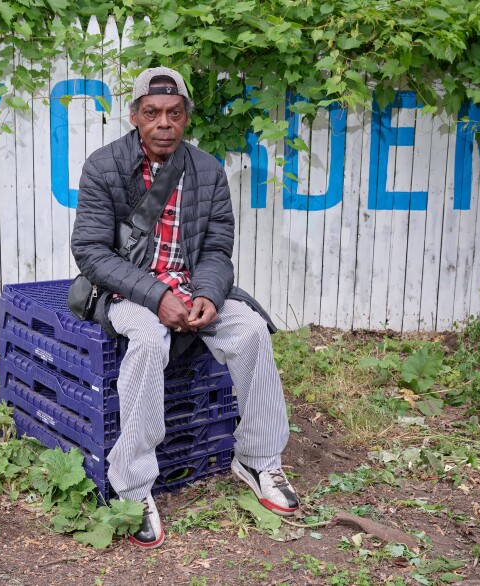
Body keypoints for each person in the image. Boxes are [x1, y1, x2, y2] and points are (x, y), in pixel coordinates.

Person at [71, 66, 298, 549]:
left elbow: (217, 248)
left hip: (193, 290)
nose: (164, 123)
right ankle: (131, 486)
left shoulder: (208, 170)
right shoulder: (104, 166)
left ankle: (258, 459)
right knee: (150, 341)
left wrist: (208, 296)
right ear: (135, 117)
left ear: (186, 118)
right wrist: (157, 297)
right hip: (130, 292)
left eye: (174, 113)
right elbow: (91, 252)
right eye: (152, 113)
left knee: (252, 330)